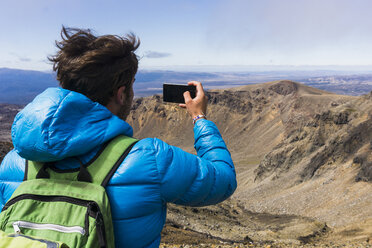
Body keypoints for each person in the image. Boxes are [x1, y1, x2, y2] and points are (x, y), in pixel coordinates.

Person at [0, 27, 237, 247]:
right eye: (132, 85)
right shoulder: (150, 160)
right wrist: (200, 118)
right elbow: (223, 180)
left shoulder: (14, 161)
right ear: (121, 93)